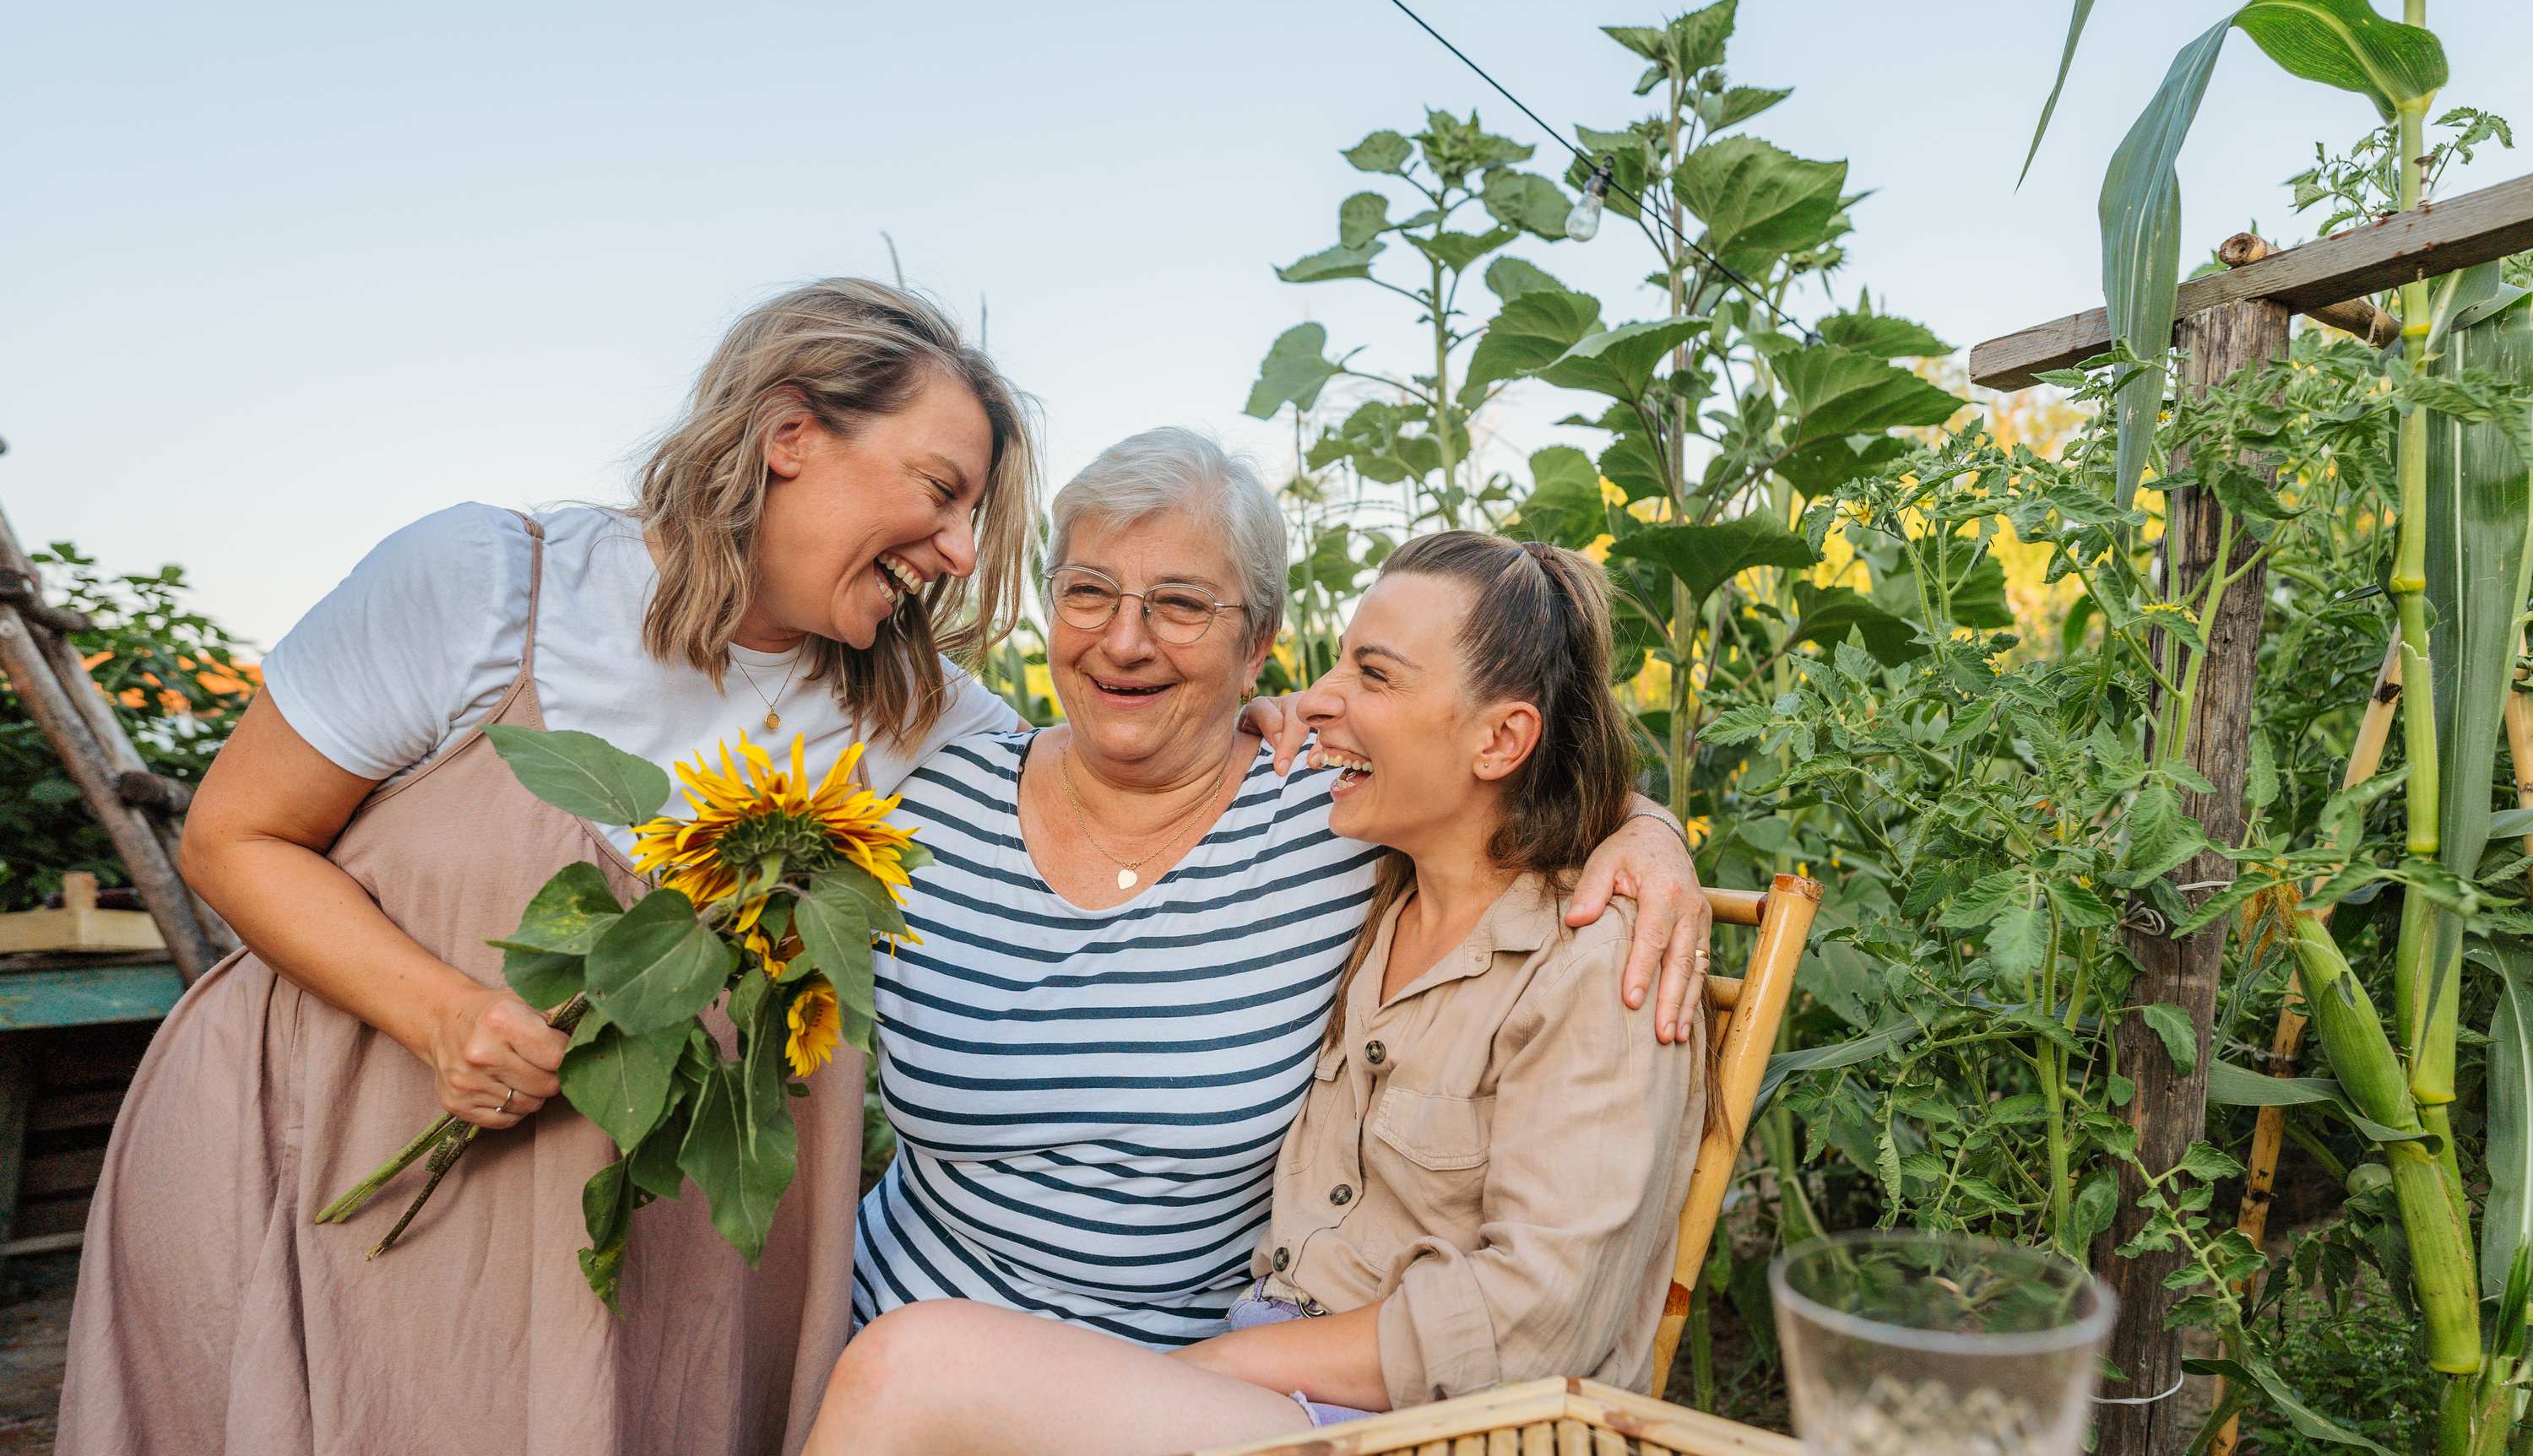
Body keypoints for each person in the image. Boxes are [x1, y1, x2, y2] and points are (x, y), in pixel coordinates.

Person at [57, 280, 1043, 1456]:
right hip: (330, 1170)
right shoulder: (488, 585)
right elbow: (232, 838)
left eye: (974, 514)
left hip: (650, 1272)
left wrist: (1283, 721)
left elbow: (1128, 772)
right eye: (939, 491)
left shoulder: (918, 715)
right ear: (789, 436)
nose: (962, 549)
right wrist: (441, 1014)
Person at [813, 492, 1710, 1454]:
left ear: (1499, 740)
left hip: (1437, 1424)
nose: (1316, 698)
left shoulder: (1602, 955)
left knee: (911, 1368)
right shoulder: (1376, 885)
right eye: (1087, 591)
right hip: (1266, 1379)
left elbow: (1534, 1321)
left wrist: (1203, 1368)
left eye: (1372, 672)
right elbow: (1523, 782)